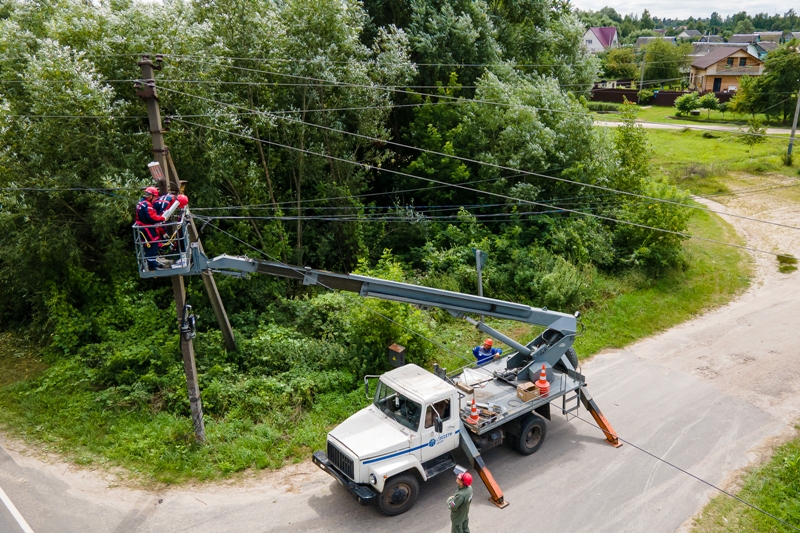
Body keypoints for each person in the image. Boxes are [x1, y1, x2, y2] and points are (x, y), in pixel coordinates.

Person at [134, 186, 166, 271]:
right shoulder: (147, 205)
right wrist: (162, 218)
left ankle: (152, 262)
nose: (155, 200)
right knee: (153, 245)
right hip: (147, 228)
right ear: (151, 196)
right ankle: (152, 266)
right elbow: (153, 217)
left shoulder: (141, 202)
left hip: (143, 228)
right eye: (155, 197)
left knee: (148, 245)